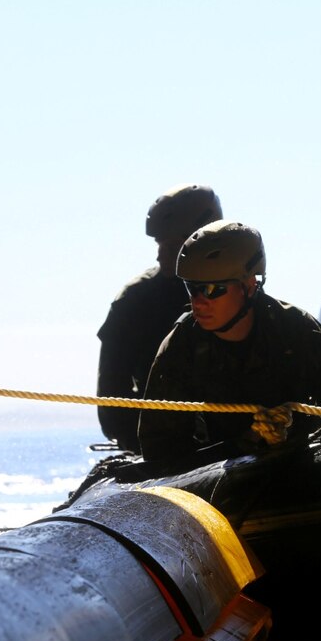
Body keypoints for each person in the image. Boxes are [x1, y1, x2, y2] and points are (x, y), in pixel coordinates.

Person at [138, 220, 321, 462]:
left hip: (306, 465)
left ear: (250, 285)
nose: (199, 301)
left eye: (212, 289)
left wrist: (293, 433)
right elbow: (161, 449)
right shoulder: (181, 348)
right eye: (192, 288)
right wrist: (243, 445)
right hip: (223, 480)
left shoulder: (297, 331)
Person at [96, 183, 224, 453]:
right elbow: (112, 396)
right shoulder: (134, 301)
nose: (160, 252)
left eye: (171, 243)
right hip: (160, 446)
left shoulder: (236, 289)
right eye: (159, 243)